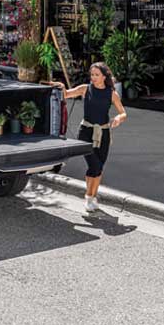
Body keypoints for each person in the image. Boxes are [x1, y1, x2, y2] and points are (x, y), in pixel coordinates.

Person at [53, 62, 127, 212]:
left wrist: (119, 118)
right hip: (86, 132)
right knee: (95, 165)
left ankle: (93, 197)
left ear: (104, 76)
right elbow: (66, 94)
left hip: (103, 133)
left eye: (96, 75)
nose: (93, 77)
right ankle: (88, 197)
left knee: (99, 167)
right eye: (92, 74)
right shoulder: (85, 89)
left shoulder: (111, 93)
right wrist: (61, 87)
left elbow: (123, 112)